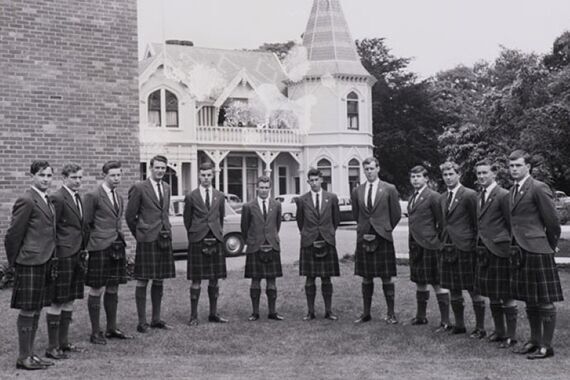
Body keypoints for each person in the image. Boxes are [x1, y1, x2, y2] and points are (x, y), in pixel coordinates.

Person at [508, 150, 563, 359]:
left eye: (518, 165)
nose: (514, 169)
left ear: (528, 167)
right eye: (511, 166)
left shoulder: (539, 188)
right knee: (529, 299)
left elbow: (553, 223)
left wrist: (549, 245)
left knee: (544, 299)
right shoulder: (512, 190)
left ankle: (546, 346)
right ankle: (534, 341)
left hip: (538, 250)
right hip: (519, 251)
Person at [5, 160, 57, 370]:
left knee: (36, 309)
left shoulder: (46, 200)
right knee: (28, 309)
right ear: (32, 176)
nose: (46, 179)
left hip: (45, 260)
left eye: (49, 175)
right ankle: (23, 357)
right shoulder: (27, 200)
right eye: (42, 175)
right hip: (29, 262)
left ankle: (31, 354)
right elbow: (13, 235)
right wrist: (15, 262)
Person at [83, 161, 133, 344]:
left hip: (116, 247)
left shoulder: (119, 197)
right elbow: (86, 224)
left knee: (114, 286)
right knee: (97, 288)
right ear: (104, 175)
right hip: (99, 247)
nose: (116, 178)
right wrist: (89, 247)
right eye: (113, 175)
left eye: (119, 175)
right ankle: (96, 332)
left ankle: (112, 328)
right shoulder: (93, 195)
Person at [126, 155, 176, 333]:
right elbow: (130, 216)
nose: (161, 171)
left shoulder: (167, 187)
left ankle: (156, 319)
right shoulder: (139, 187)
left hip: (163, 238)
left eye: (163, 168)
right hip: (147, 239)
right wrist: (140, 233)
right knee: (142, 280)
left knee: (159, 278)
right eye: (157, 167)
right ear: (150, 168)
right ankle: (142, 322)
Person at [351, 157, 401, 324]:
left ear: (378, 169)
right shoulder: (357, 190)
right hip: (364, 237)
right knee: (366, 277)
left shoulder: (389, 188)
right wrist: (364, 228)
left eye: (372, 168)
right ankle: (366, 313)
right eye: (366, 169)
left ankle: (391, 313)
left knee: (386, 277)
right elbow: (356, 214)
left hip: (383, 237)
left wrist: (384, 228)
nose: (369, 172)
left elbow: (396, 214)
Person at [473, 160, 518, 348]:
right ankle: (499, 331)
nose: (481, 176)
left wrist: (509, 246)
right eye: (479, 173)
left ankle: (511, 335)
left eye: (485, 173)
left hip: (500, 250)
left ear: (494, 174)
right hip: (484, 251)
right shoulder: (479, 196)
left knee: (506, 293)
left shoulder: (503, 195)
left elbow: (511, 224)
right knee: (492, 293)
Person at [439, 161, 486, 337]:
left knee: (473, 288)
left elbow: (477, 223)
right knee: (453, 288)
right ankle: (459, 325)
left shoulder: (469, 195)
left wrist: (474, 245)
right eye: (445, 175)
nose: (448, 178)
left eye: (451, 174)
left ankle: (480, 328)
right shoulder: (442, 197)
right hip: (448, 247)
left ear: (458, 174)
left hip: (466, 247)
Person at [47, 164, 89, 358]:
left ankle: (64, 343)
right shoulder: (57, 198)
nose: (78, 181)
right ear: (64, 178)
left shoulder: (77, 196)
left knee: (70, 298)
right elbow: (51, 230)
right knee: (57, 299)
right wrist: (55, 256)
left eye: (80, 177)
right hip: (63, 255)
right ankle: (52, 346)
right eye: (74, 177)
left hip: (77, 253)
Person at [406, 165, 451, 331]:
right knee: (419, 281)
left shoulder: (433, 197)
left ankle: (445, 321)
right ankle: (421, 316)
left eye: (418, 177)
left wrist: (436, 241)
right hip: (415, 245)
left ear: (426, 179)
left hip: (431, 246)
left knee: (437, 282)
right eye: (413, 177)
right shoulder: (413, 198)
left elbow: (442, 222)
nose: (415, 180)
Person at [183, 162, 227, 325]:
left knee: (214, 278)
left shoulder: (220, 196)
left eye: (209, 175)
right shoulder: (191, 196)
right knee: (196, 279)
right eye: (203, 175)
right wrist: (195, 233)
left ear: (213, 176)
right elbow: (187, 220)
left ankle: (213, 314)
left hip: (215, 239)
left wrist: (216, 232)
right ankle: (194, 316)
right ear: (199, 176)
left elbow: (220, 218)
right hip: (198, 240)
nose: (206, 178)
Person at [296, 168, 341, 321]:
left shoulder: (332, 198)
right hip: (309, 241)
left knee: (326, 278)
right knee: (310, 278)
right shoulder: (302, 200)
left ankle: (329, 311)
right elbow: (300, 221)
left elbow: (336, 220)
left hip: (327, 240)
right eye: (311, 180)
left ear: (321, 180)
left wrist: (327, 233)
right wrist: (309, 234)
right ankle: (310, 312)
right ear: (308, 182)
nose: (314, 183)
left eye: (316, 180)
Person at [240, 176, 284, 321]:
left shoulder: (276, 205)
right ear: (257, 188)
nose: (264, 190)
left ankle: (272, 312)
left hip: (272, 245)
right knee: (255, 281)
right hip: (255, 247)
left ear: (270, 188)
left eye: (266, 188)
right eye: (261, 187)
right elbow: (244, 228)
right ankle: (255, 312)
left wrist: (271, 238)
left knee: (272, 281)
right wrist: (252, 241)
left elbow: (277, 225)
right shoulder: (248, 206)